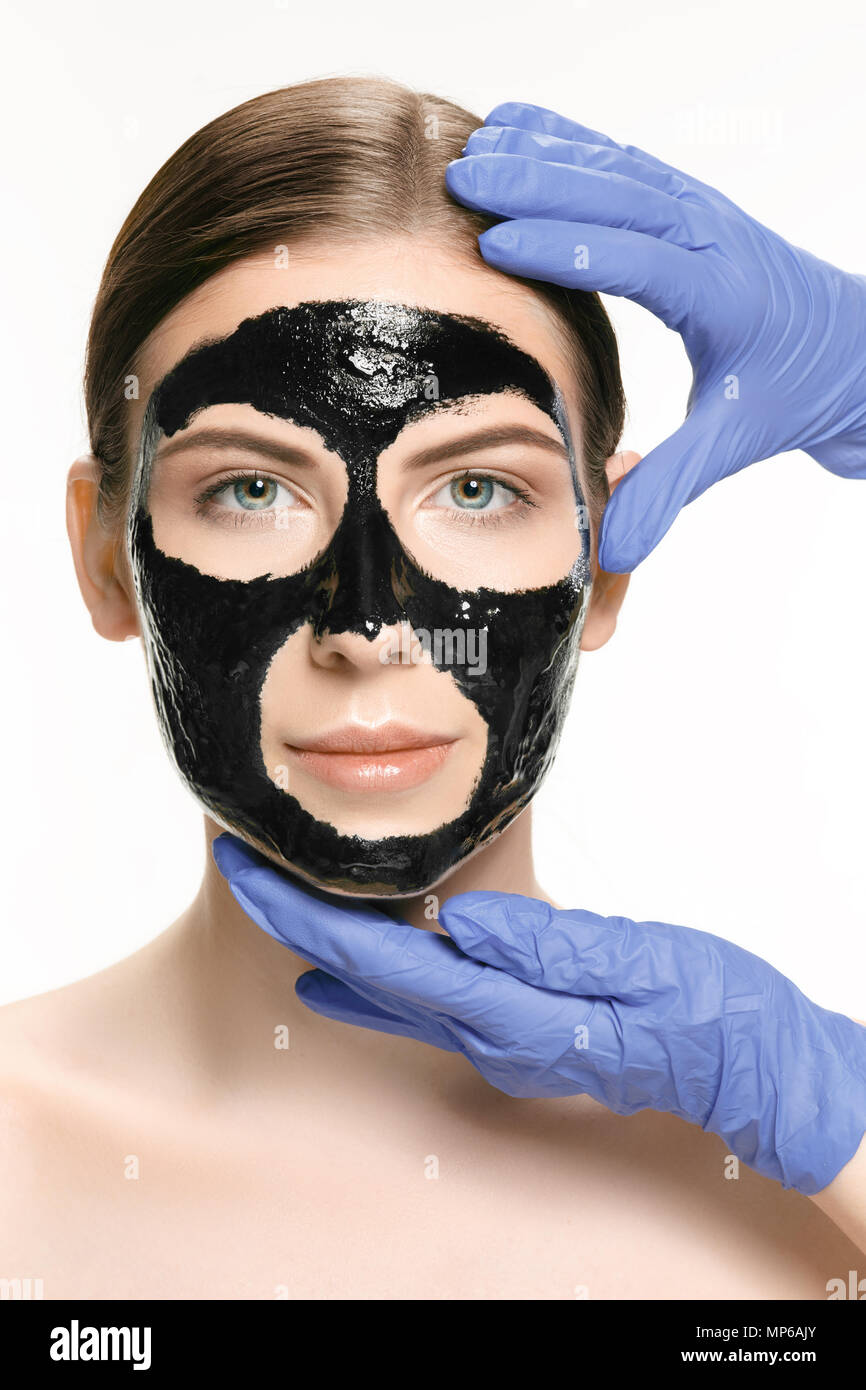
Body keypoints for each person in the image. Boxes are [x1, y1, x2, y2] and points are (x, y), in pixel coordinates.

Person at [0, 76, 862, 1300]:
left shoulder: (805, 1204)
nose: (366, 625)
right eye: (250, 488)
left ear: (606, 552)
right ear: (106, 558)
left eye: (475, 490)